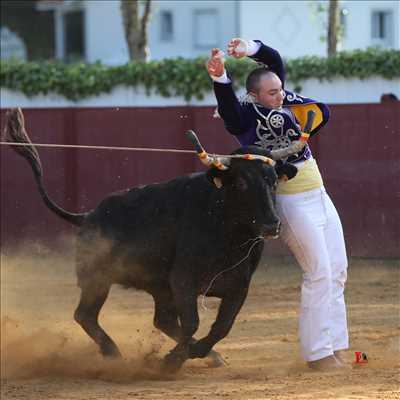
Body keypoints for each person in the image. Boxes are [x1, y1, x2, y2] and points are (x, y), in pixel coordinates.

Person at [206, 38, 349, 370]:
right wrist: (219, 78)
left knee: (338, 270)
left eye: (281, 89)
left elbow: (272, 58)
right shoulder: (242, 117)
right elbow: (226, 104)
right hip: (289, 200)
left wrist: (250, 47)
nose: (280, 96)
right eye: (272, 93)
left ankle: (337, 344)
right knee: (319, 272)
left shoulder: (281, 96)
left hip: (318, 193)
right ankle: (318, 354)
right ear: (254, 96)